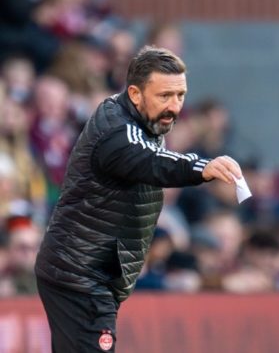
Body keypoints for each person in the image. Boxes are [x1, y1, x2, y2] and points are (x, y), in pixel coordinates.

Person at [34, 46, 243, 352]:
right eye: (165, 96)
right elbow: (154, 162)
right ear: (134, 93)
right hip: (79, 277)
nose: (175, 106)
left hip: (85, 272)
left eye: (180, 95)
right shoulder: (118, 132)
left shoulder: (138, 118)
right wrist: (202, 167)